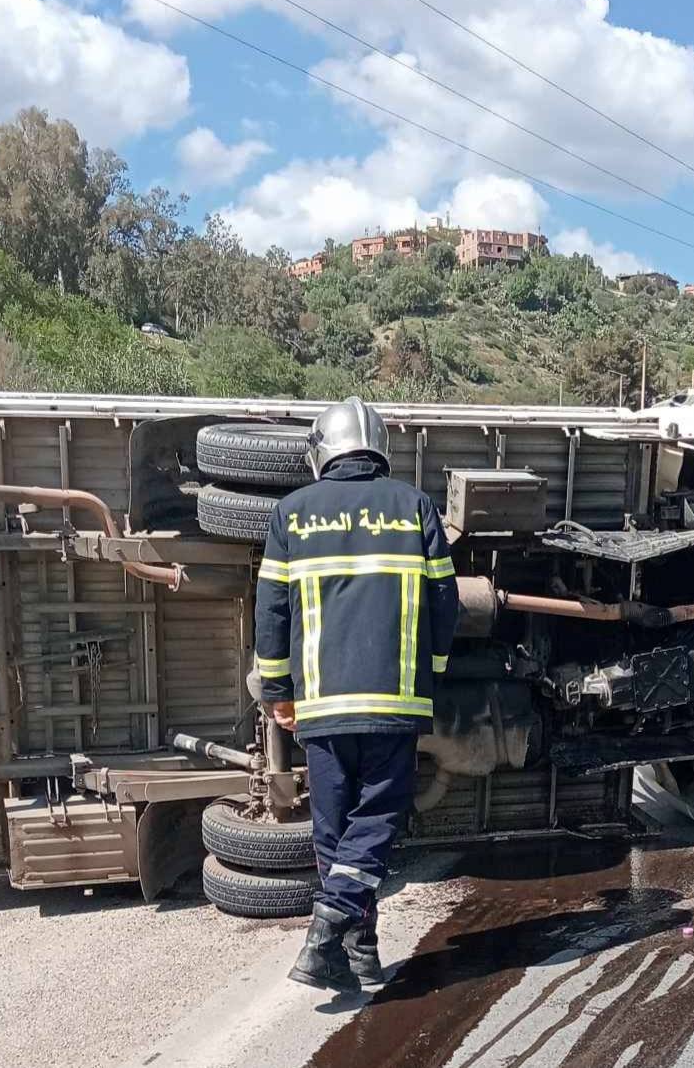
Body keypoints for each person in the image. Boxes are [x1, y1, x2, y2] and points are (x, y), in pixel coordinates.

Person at [254, 397, 459, 993]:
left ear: (322, 451)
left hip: (318, 706)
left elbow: (271, 613)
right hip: (394, 702)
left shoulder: (291, 514)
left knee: (335, 829)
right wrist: (433, 669)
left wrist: (276, 691)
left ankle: (356, 954)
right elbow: (444, 605)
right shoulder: (414, 506)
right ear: (379, 450)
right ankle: (330, 931)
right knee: (378, 820)